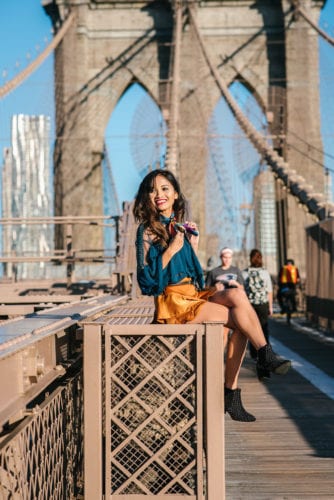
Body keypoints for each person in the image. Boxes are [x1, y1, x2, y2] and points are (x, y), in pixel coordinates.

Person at [133, 169, 291, 422]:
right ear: (146, 197)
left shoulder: (179, 228)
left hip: (192, 297)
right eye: (152, 190)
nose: (158, 194)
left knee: (238, 295)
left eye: (164, 189)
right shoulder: (147, 232)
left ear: (175, 194)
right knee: (240, 320)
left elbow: (189, 273)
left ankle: (261, 356)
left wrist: (191, 247)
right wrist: (172, 249)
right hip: (173, 304)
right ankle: (238, 384)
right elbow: (147, 282)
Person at [242, 249, 273, 380]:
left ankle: (255, 355)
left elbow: (242, 291)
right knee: (264, 330)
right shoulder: (265, 273)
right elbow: (269, 291)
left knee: (252, 330)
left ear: (250, 259)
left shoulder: (244, 273)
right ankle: (265, 355)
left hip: (250, 305)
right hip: (263, 304)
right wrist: (270, 306)